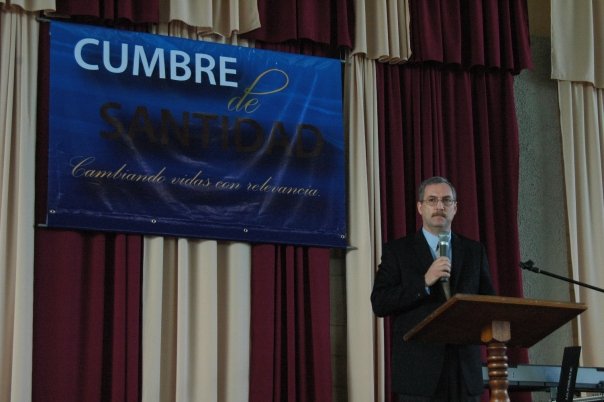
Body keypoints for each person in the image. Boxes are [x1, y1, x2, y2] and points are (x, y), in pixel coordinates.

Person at [371, 176, 496, 402]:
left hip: (464, 372)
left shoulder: (474, 251)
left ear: (455, 208)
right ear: (420, 207)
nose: (440, 206)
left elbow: (488, 303)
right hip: (419, 374)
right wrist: (424, 282)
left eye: (447, 200)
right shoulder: (398, 251)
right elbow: (380, 302)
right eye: (432, 200)